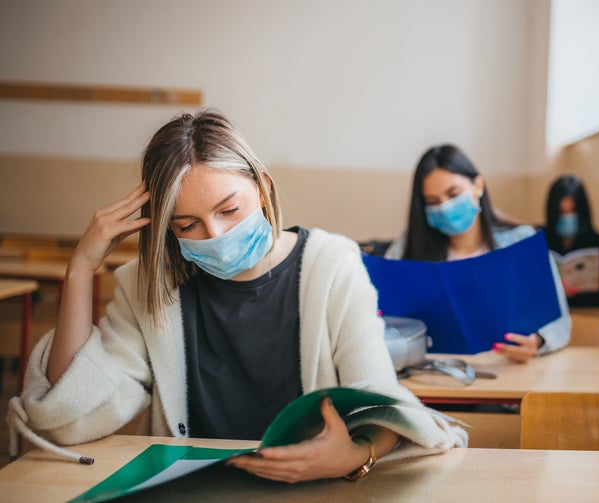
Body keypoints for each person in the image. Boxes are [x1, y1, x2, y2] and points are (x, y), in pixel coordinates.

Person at [8, 110, 466, 482]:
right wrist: (81, 269)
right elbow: (69, 415)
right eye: (187, 225)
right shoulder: (149, 286)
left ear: (263, 188)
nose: (215, 234)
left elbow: (379, 399)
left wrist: (354, 455)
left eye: (229, 209)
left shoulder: (332, 265)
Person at [385, 144, 570, 363]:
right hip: (431, 375)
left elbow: (560, 320)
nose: (444, 208)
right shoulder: (407, 247)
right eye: (433, 202)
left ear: (478, 186)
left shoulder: (521, 242)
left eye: (453, 194)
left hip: (505, 374)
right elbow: (382, 316)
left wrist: (538, 340)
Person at [542, 174, 599, 310]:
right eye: (561, 212)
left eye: (572, 211)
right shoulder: (540, 241)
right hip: (550, 318)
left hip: (589, 315)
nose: (567, 218)